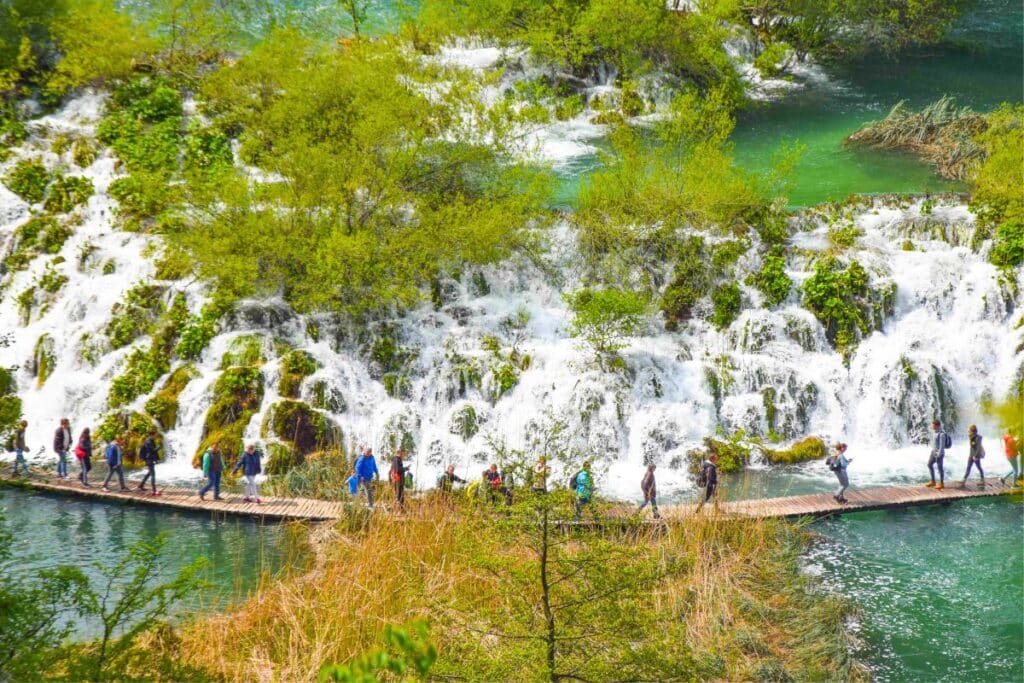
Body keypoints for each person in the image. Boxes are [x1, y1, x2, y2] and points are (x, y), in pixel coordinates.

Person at [925, 419, 947, 490]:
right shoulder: (934, 432)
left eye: (933, 425)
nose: (932, 426)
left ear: (937, 426)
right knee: (929, 464)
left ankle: (941, 483)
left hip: (939, 454)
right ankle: (933, 481)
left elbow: (942, 446)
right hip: (933, 452)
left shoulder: (942, 434)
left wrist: (939, 455)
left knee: (940, 468)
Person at [138, 430, 161, 495]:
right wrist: (159, 447)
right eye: (155, 435)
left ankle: (141, 485)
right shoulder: (148, 442)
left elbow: (154, 452)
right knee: (153, 474)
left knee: (149, 473)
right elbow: (153, 450)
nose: (155, 436)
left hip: (150, 459)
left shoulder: (151, 441)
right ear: (151, 435)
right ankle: (154, 491)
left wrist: (157, 459)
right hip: (149, 459)